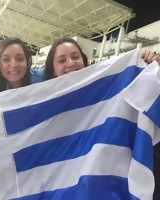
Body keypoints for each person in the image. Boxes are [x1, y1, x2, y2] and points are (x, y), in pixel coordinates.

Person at [43, 37, 160, 200]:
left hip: (106, 186)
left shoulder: (109, 90)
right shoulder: (46, 110)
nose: (70, 63)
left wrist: (150, 68)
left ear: (84, 62)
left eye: (75, 57)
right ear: (53, 70)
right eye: (62, 60)